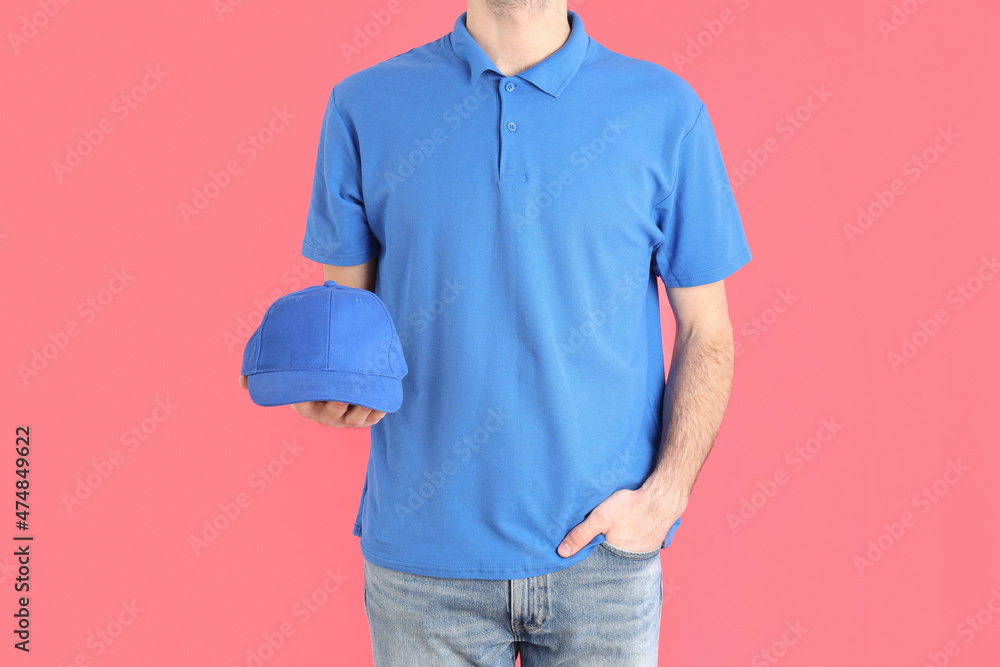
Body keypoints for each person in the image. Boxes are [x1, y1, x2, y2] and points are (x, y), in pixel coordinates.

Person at [240, 0, 751, 663]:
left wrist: (663, 498)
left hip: (602, 564)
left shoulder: (665, 112)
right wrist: (326, 388)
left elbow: (708, 332)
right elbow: (350, 324)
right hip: (424, 567)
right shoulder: (364, 107)